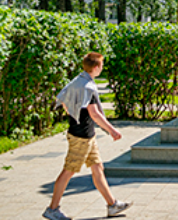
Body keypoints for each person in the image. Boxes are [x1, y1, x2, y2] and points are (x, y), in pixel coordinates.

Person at [43, 53, 132, 220]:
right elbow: (95, 114)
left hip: (86, 135)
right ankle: (52, 209)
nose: (102, 68)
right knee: (68, 171)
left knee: (98, 168)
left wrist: (71, 112)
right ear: (96, 67)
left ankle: (112, 205)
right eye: (101, 65)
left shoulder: (78, 80)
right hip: (81, 137)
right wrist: (112, 130)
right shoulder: (88, 87)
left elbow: (62, 100)